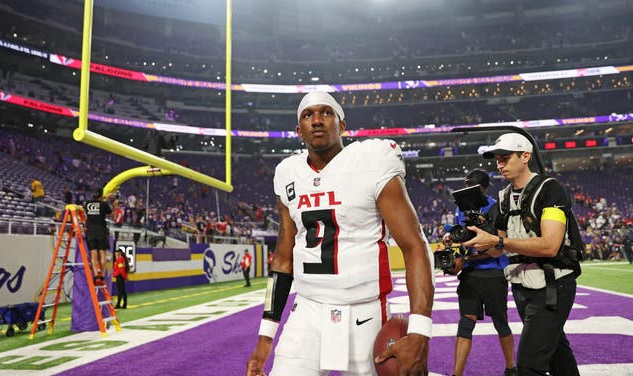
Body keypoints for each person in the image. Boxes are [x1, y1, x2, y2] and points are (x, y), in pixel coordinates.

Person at [246, 91, 435, 376]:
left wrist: (420, 331)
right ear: (299, 131)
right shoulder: (288, 173)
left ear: (342, 125)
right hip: (308, 310)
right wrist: (265, 336)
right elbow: (283, 260)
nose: (317, 120)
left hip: (366, 311)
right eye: (308, 115)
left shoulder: (372, 159)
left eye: (326, 112)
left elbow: (415, 246)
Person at [462, 133, 581, 376]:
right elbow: (497, 248)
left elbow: (550, 246)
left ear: (525, 156)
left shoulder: (551, 189)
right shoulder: (504, 197)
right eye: (497, 159)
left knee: (528, 365)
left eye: (505, 158)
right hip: (521, 286)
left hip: (552, 285)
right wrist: (469, 245)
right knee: (559, 359)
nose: (499, 164)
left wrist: (497, 240)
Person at [442, 169, 516, 376]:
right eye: (467, 187)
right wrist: (450, 237)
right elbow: (461, 236)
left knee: (501, 323)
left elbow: (496, 250)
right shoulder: (461, 208)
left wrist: (465, 258)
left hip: (493, 273)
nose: (468, 191)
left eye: (472, 187)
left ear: (483, 188)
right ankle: (456, 374)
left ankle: (511, 368)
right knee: (465, 324)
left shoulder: (496, 207)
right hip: (470, 274)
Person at [85, 187, 114, 286]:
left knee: (93, 255)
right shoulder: (104, 204)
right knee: (103, 255)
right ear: (101, 195)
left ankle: (96, 275)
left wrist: (104, 198)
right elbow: (111, 214)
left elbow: (96, 204)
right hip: (101, 231)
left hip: (91, 231)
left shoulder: (87, 204)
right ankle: (101, 276)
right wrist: (111, 202)